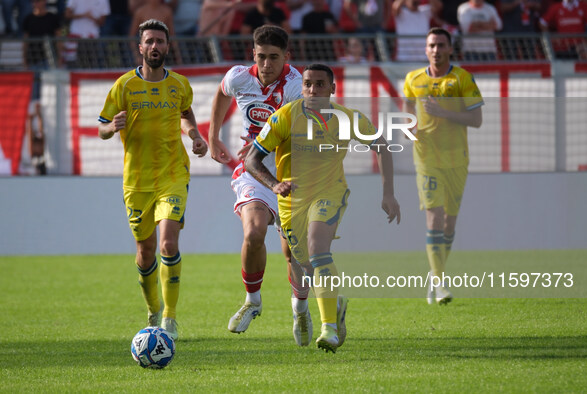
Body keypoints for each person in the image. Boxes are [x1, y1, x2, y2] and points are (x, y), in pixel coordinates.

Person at [245, 63, 401, 352]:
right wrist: (274, 184)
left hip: (330, 193)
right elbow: (252, 160)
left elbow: (382, 146)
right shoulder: (284, 117)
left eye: (319, 84)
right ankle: (326, 307)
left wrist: (388, 194)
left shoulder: (347, 118)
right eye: (307, 84)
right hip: (291, 200)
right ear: (301, 87)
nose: (312, 90)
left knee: (318, 251)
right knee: (302, 262)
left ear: (332, 88)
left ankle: (328, 329)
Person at [98, 19, 208, 340]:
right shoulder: (124, 86)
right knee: (145, 251)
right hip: (136, 182)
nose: (155, 47)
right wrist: (112, 127)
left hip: (173, 175)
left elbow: (185, 113)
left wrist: (195, 136)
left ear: (167, 46)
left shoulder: (179, 85)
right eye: (150, 41)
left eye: (160, 41)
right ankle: (153, 308)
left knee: (168, 243)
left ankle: (170, 319)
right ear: (140, 47)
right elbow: (102, 127)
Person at [208, 25, 312, 344]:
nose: (267, 64)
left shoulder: (296, 86)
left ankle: (300, 309)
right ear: (253, 54)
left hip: (290, 170)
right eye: (262, 56)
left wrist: (262, 143)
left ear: (286, 57)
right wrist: (213, 137)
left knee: (292, 251)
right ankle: (252, 301)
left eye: (274, 58)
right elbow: (222, 94)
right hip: (253, 171)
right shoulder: (239, 76)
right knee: (253, 232)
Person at [402, 27, 483, 305]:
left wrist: (443, 112)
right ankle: (439, 283)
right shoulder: (413, 78)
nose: (435, 50)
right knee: (434, 217)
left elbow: (476, 120)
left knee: (449, 223)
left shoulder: (462, 79)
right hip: (426, 158)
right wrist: (409, 128)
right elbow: (407, 111)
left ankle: (435, 275)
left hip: (457, 158)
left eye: (440, 45)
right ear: (426, 49)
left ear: (450, 49)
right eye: (431, 45)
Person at [26, 99, 47, 175]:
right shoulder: (40, 150)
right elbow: (41, 131)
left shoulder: (32, 150)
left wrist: (35, 116)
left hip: (31, 105)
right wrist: (38, 115)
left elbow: (30, 131)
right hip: (35, 110)